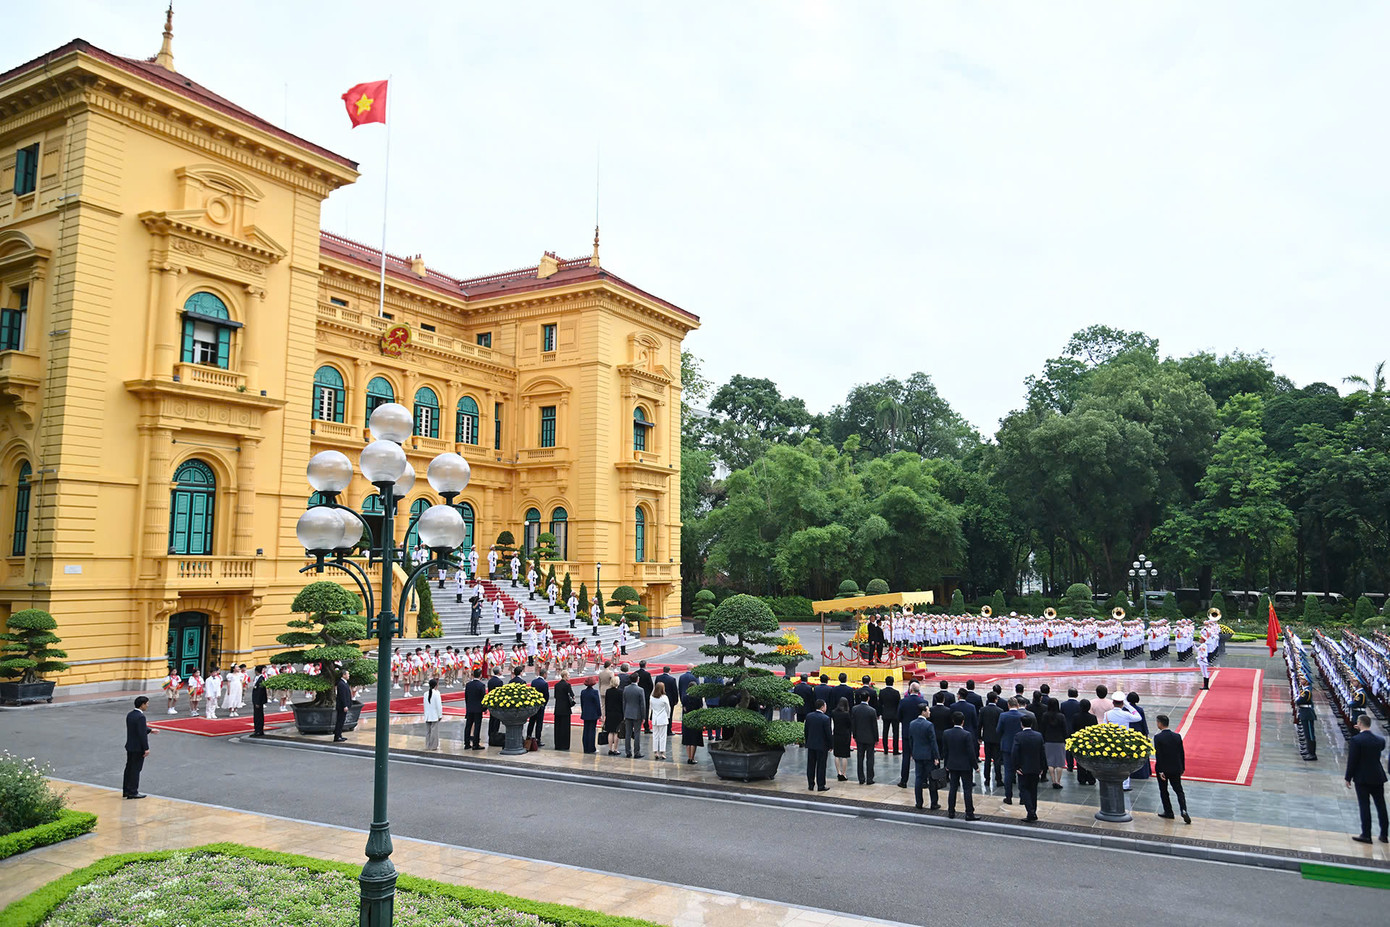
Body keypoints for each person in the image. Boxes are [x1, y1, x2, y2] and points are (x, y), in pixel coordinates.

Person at [1344, 715, 1389, 844]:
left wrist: (1348, 777)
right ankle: (1384, 834)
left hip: (1362, 778)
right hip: (1378, 776)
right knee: (1381, 806)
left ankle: (1366, 834)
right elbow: (1377, 749)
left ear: (1359, 723)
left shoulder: (1356, 740)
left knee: (1365, 806)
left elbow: (1352, 761)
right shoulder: (1380, 740)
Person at [1152, 714, 1191, 824]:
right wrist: (1182, 767)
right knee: (1179, 790)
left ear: (1160, 723)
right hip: (1175, 768)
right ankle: (1183, 809)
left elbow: (1159, 755)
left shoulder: (1158, 737)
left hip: (1163, 769)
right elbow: (1181, 753)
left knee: (1164, 791)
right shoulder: (1177, 736)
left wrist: (1160, 770)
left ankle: (1168, 812)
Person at [941, 711, 980, 820]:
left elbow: (945, 751)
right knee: (967, 790)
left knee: (953, 788)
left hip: (952, 764)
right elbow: (971, 753)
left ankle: (951, 811)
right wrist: (975, 766)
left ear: (953, 721)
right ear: (963, 722)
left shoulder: (946, 733)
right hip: (965, 766)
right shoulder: (967, 734)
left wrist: (946, 764)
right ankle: (969, 813)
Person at [1012, 716, 1046, 822]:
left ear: (1021, 724)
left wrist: (1016, 766)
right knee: (1033, 790)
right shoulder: (1038, 736)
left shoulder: (1018, 736)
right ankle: (1033, 811)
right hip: (1035, 767)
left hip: (1023, 767)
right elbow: (1042, 753)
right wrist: (1042, 767)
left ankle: (1030, 812)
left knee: (1024, 789)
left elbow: (1015, 752)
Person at [1104, 695, 1142, 790]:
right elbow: (1138, 717)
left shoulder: (1107, 714)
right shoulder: (1125, 714)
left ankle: (1112, 781)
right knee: (1124, 764)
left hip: (1112, 742)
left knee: (1113, 762)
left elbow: (1104, 727)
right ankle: (1125, 785)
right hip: (1124, 742)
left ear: (1113, 703)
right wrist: (1128, 706)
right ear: (1122, 704)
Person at [907, 709, 940, 810]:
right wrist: (936, 756)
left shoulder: (912, 723)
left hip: (917, 754)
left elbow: (911, 740)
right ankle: (933, 802)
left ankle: (919, 802)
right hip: (928, 756)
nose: (929, 712)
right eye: (928, 711)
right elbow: (933, 742)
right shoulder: (929, 725)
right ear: (923, 712)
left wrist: (912, 752)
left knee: (918, 778)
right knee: (932, 779)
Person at [897, 682, 927, 788]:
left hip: (907, 731)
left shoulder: (903, 701)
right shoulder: (923, 702)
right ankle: (923, 781)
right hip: (920, 732)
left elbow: (899, 716)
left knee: (906, 757)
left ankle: (903, 780)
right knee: (922, 757)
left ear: (910, 690)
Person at [123, 696, 154, 799]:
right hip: (138, 748)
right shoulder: (141, 717)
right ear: (142, 704)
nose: (148, 705)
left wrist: (149, 730)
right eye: (147, 704)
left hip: (130, 746)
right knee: (136, 770)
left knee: (129, 768)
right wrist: (146, 748)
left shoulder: (130, 715)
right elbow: (141, 734)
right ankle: (133, 791)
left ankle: (126, 790)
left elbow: (138, 729)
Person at [996, 698, 1025, 804]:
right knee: (1021, 772)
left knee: (1008, 772)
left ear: (1008, 705)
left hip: (1007, 746)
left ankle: (1008, 797)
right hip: (1019, 747)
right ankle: (1022, 798)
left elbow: (998, 730)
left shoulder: (1003, 716)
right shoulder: (1022, 716)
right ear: (1017, 705)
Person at [852, 690, 879, 784]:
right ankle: (869, 778)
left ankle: (861, 778)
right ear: (868, 698)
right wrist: (876, 738)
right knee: (870, 758)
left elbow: (854, 724)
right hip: (870, 737)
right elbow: (874, 726)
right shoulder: (872, 710)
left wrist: (854, 735)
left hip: (859, 737)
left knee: (860, 758)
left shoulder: (855, 709)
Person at [1040, 698, 1069, 789]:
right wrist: (1066, 739)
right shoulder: (1061, 716)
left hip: (1048, 741)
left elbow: (1042, 729)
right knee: (1059, 763)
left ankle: (1053, 781)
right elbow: (1065, 730)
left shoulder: (1045, 715)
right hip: (1059, 741)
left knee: (1050, 762)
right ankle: (1058, 781)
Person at [804, 700, 832, 791]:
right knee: (821, 766)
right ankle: (821, 785)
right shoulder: (826, 718)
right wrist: (830, 745)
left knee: (811, 765)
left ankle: (810, 784)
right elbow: (828, 734)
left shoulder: (809, 716)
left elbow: (806, 731)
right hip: (822, 746)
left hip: (811, 744)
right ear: (822, 707)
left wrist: (807, 741)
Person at [1070, 698, 1098, 785]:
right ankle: (1091, 778)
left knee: (1080, 760)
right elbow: (1095, 730)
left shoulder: (1075, 716)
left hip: (1079, 741)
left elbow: (1073, 729)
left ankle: (1081, 778)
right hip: (1090, 741)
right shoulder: (1093, 718)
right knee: (1090, 760)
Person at [980, 693, 1003, 789]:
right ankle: (998, 779)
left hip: (987, 737)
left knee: (988, 759)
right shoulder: (1000, 711)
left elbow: (979, 724)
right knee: (997, 759)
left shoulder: (983, 710)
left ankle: (987, 779)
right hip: (997, 738)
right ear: (996, 699)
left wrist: (979, 737)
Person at [462, 669, 486, 750]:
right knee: (477, 726)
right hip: (478, 709)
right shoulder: (481, 685)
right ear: (480, 675)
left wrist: (468, 706)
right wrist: (484, 708)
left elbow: (466, 697)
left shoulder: (468, 685)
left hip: (470, 708)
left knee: (468, 726)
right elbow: (483, 698)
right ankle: (475, 744)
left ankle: (467, 743)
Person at [622, 676, 645, 758]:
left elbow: (624, 702)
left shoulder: (626, 688)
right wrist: (643, 716)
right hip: (637, 714)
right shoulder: (640, 690)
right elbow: (642, 705)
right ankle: (637, 752)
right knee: (637, 733)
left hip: (627, 713)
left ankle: (628, 751)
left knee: (628, 733)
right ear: (637, 680)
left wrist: (624, 713)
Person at [681, 684, 704, 764]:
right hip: (695, 719)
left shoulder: (685, 697)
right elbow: (701, 708)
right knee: (694, 740)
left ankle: (689, 757)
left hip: (687, 719)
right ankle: (692, 758)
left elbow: (684, 708)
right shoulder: (698, 697)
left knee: (688, 740)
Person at [831, 696, 853, 781]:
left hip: (836, 734)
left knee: (836, 754)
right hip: (845, 735)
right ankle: (844, 774)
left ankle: (838, 772)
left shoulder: (833, 712)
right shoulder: (846, 714)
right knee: (844, 755)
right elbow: (849, 725)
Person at [579, 676, 602, 754]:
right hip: (593, 714)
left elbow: (582, 703)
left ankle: (585, 747)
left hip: (585, 713)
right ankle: (591, 748)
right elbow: (597, 704)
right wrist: (599, 714)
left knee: (586, 731)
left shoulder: (583, 692)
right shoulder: (595, 692)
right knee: (592, 731)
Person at [552, 671, 574, 751]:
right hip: (566, 709)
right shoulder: (567, 685)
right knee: (565, 728)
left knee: (557, 727)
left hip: (558, 708)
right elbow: (572, 696)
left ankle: (557, 744)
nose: (569, 676)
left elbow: (555, 696)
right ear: (564, 676)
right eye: (568, 675)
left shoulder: (556, 685)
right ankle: (565, 745)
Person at [879, 676, 901, 755]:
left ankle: (885, 749)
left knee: (885, 732)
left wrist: (880, 713)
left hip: (885, 714)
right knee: (895, 733)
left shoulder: (882, 692)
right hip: (895, 715)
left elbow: (880, 704)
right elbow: (899, 704)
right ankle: (895, 750)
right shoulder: (896, 692)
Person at [526, 670, 550, 745]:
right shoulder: (544, 684)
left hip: (534, 705)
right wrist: (544, 705)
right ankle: (538, 739)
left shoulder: (534, 681)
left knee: (531, 721)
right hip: (540, 706)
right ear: (544, 674)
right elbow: (546, 696)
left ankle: (528, 736)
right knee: (539, 723)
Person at [603, 678, 624, 756]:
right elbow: (622, 704)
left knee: (610, 731)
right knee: (616, 732)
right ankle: (615, 749)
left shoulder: (608, 691)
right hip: (618, 713)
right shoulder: (620, 692)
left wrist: (605, 714)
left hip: (610, 713)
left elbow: (606, 703)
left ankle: (610, 749)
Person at [650, 681, 672, 760]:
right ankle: (662, 752)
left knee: (655, 736)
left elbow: (651, 707)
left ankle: (655, 752)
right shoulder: (664, 697)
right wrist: (668, 716)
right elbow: (668, 708)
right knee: (662, 736)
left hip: (655, 718)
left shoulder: (652, 697)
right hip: (662, 718)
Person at [422, 677, 443, 750]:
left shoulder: (425, 694)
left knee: (428, 732)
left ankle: (428, 745)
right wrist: (440, 715)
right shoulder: (437, 693)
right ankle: (433, 746)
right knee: (434, 732)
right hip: (434, 715)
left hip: (427, 715)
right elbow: (438, 705)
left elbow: (424, 705)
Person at [1296, 691, 1318, 761]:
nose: (1301, 680)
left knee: (1310, 734)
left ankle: (1312, 753)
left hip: (1308, 714)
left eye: (1302, 679)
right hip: (1304, 713)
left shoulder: (1307, 691)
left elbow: (1299, 701)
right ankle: (1308, 750)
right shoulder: (1305, 690)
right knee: (1306, 733)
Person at [333, 670, 352, 742]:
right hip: (341, 706)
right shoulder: (341, 684)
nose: (349, 675)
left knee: (342, 721)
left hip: (344, 705)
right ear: (343, 675)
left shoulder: (345, 683)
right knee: (340, 721)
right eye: (347, 674)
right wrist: (345, 705)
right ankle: (337, 736)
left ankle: (339, 735)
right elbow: (342, 696)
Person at [636, 661, 655, 733]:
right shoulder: (647, 674)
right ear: (645, 666)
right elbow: (651, 685)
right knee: (645, 711)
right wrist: (648, 693)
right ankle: (646, 727)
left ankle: (637, 725)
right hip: (645, 694)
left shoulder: (636, 673)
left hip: (637, 694)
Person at [251, 665, 268, 737]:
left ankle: (259, 730)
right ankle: (257, 729)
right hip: (256, 700)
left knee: (259, 716)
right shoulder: (257, 678)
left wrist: (258, 702)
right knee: (256, 715)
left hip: (258, 701)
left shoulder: (261, 679)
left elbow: (260, 692)